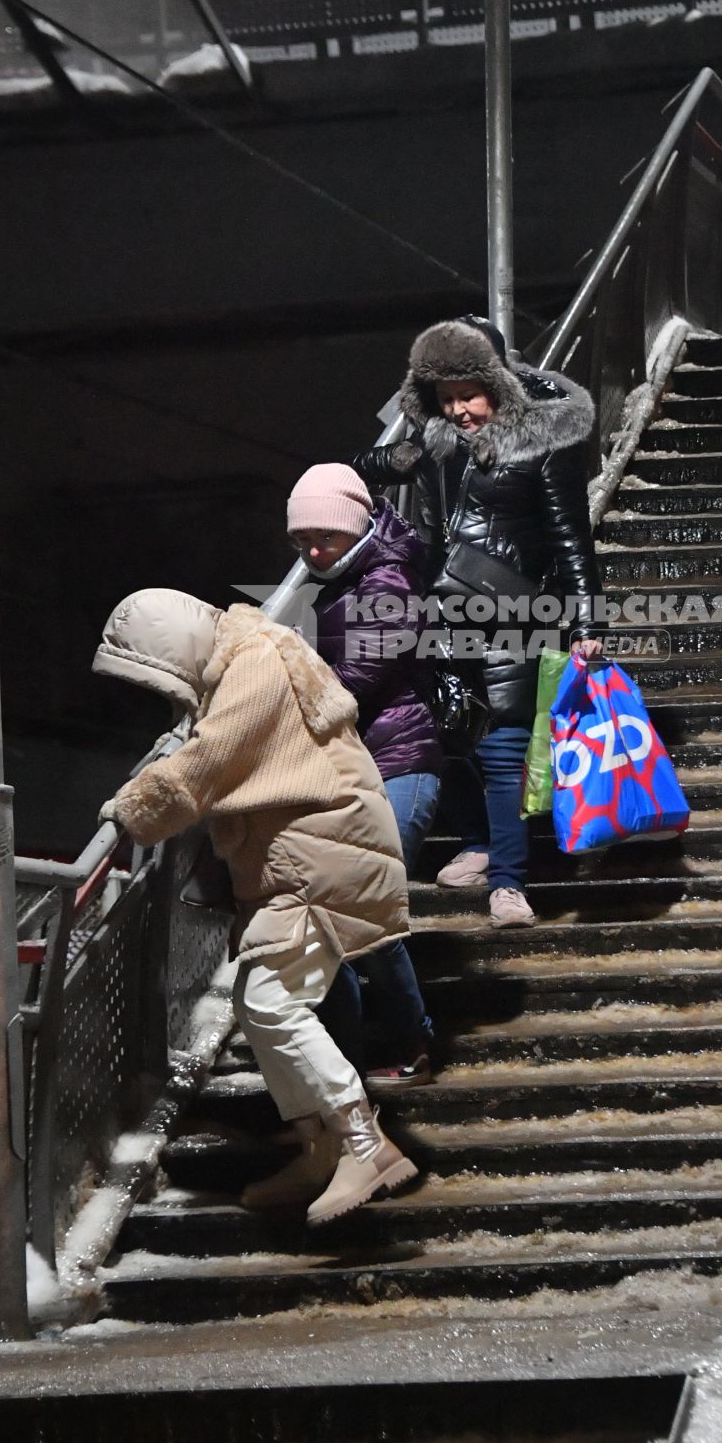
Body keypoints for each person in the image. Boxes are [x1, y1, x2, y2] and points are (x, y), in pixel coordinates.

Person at [93, 587, 417, 1221]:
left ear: (172, 651)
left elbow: (206, 763)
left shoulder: (256, 661)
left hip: (318, 854)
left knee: (272, 1001)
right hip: (309, 851)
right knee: (256, 999)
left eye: (159, 677)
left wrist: (129, 811)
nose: (167, 694)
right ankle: (319, 1146)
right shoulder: (252, 656)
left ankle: (363, 1142)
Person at [357, 316, 602, 930]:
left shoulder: (541, 444)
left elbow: (572, 539)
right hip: (445, 614)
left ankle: (509, 883)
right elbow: (362, 464)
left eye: (469, 394)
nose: (460, 410)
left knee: (501, 748)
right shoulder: (438, 447)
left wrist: (588, 619)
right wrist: (403, 451)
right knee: (445, 734)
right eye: (446, 399)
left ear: (497, 385)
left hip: (516, 615)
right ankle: (482, 840)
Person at [285, 463, 441, 1091]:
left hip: (402, 761)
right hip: (356, 764)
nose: (313, 551)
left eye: (324, 536)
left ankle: (410, 1040)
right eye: (302, 541)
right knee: (330, 910)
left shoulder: (388, 583)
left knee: (358, 907)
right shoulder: (343, 577)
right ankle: (348, 1058)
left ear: (355, 526)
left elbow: (353, 682)